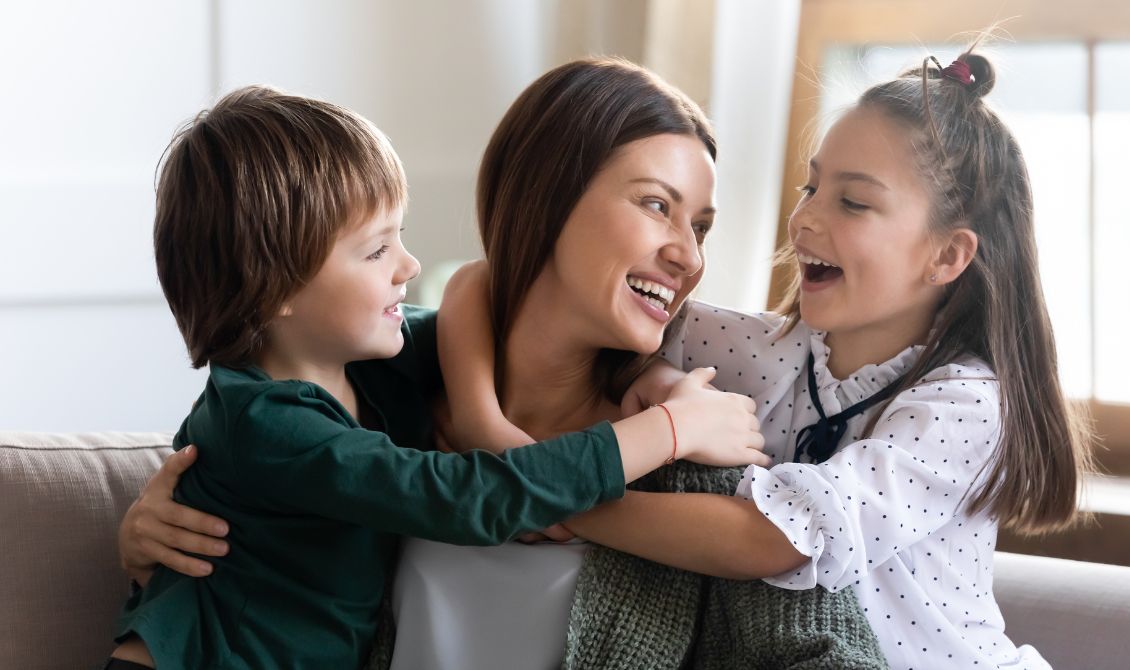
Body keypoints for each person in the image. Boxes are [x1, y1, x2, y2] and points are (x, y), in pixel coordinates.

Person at [443, 48, 1095, 669]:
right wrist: (483, 425)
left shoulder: (967, 405)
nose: (806, 218)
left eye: (853, 201)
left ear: (947, 256)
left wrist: (546, 494)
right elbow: (503, 284)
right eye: (811, 187)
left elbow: (768, 538)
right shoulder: (760, 350)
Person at [104, 84, 767, 670]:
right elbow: (463, 496)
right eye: (376, 250)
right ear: (273, 288)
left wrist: (501, 417)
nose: (408, 265)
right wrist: (670, 429)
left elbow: (469, 291)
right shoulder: (268, 420)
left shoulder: (371, 367)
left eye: (400, 237)